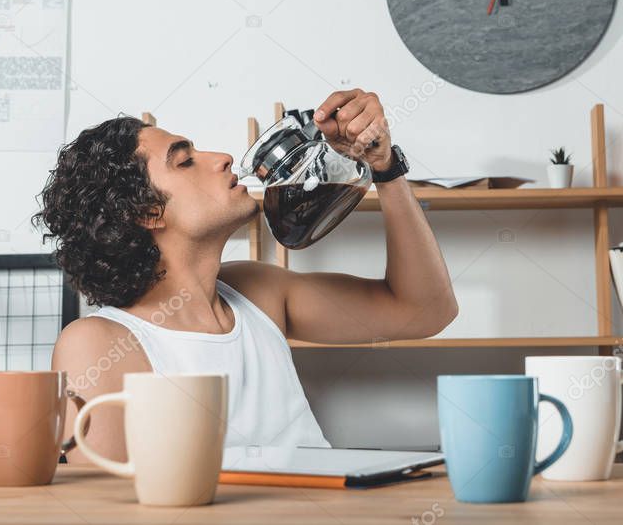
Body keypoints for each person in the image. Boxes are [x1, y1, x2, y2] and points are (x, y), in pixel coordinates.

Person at [34, 88, 458, 462]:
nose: (221, 158)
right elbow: (102, 509)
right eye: (185, 161)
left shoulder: (259, 291)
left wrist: (384, 167)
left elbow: (425, 311)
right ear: (147, 213)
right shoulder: (99, 343)